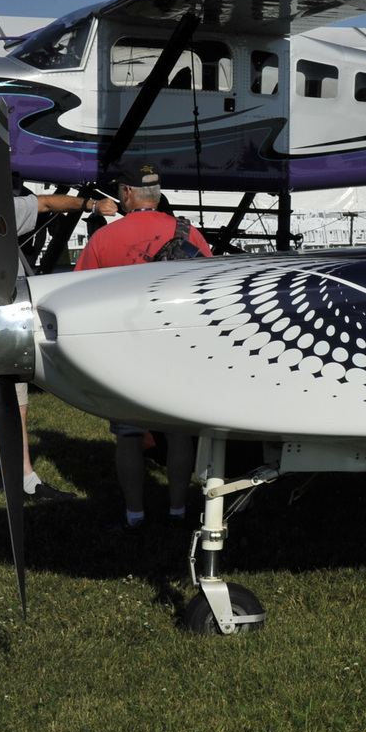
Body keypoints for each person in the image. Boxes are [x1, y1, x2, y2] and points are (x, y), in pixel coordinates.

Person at [0, 150, 114, 500]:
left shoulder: (4, 209)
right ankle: (26, 480)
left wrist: (89, 207)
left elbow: (47, 203)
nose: (6, 188)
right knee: (12, 406)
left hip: (8, 323)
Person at [77, 161, 213, 532]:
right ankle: (178, 511)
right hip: (179, 350)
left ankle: (135, 515)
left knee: (129, 436)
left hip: (128, 354)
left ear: (126, 194)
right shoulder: (189, 233)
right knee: (180, 434)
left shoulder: (104, 239)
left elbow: (79, 296)